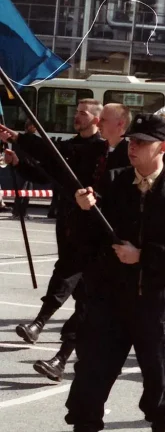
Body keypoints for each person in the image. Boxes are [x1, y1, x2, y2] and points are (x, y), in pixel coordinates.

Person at [48, 113, 165, 432]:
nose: (132, 147)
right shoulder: (114, 181)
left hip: (153, 303)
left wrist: (145, 256)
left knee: (159, 379)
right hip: (109, 301)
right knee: (90, 376)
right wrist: (83, 210)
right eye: (131, 140)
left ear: (163, 148)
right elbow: (85, 241)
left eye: (141, 142)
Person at [1, 99, 129, 383]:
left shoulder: (120, 153)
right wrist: (20, 155)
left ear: (107, 122)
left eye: (86, 114)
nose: (79, 117)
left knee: (81, 289)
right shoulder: (89, 148)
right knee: (79, 287)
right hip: (76, 224)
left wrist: (23, 137)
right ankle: (54, 348)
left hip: (105, 236)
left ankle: (52, 343)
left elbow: (122, 189)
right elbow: (51, 167)